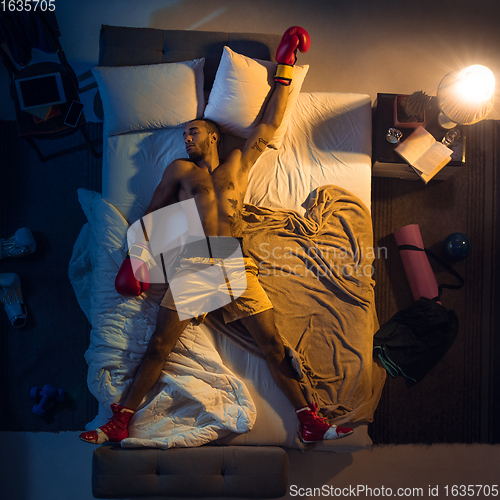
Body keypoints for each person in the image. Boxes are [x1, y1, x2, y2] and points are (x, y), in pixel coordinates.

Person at [79, 27, 353, 446]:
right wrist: (135, 260)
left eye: (193, 131)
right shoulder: (180, 171)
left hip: (234, 261)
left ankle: (309, 420)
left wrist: (285, 69)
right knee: (159, 347)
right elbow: (152, 213)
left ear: (213, 134)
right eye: (183, 133)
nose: (185, 137)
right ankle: (121, 420)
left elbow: (270, 122)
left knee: (274, 346)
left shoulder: (239, 164)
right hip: (198, 263)